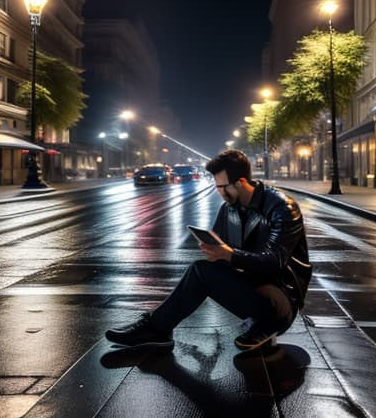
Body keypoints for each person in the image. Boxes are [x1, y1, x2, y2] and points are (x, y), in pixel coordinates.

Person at [105, 149, 311, 351]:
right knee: (201, 269)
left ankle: (156, 329)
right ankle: (157, 328)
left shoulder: (282, 208)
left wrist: (230, 255)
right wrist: (214, 252)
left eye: (223, 187)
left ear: (241, 182)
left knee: (201, 271)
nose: (220, 192)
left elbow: (275, 259)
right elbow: (221, 251)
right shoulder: (229, 208)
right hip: (251, 286)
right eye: (217, 186)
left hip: (279, 302)